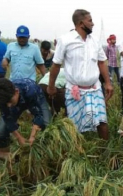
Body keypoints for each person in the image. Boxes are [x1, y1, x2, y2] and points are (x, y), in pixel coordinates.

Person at [47, 9, 113, 140]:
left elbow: (101, 63)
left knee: (102, 122)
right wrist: (51, 86)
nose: (93, 24)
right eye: (90, 21)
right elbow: (56, 65)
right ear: (81, 23)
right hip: (74, 91)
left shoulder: (95, 41)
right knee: (74, 126)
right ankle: (76, 153)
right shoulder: (65, 40)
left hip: (95, 89)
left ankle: (106, 153)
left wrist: (108, 83)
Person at [0, 78, 51, 160]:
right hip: (17, 102)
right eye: (6, 103)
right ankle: (6, 157)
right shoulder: (1, 98)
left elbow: (39, 114)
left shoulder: (31, 90)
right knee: (1, 131)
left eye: (10, 101)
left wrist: (33, 136)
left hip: (35, 98)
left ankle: (44, 154)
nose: (9, 105)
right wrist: (19, 138)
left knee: (47, 123)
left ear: (16, 92)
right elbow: (7, 118)